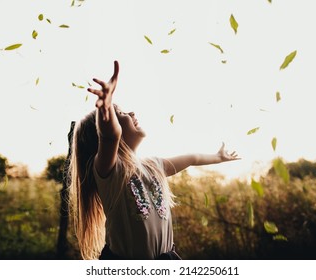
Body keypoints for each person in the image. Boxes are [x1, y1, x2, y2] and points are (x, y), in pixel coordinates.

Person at [69, 60, 240, 260]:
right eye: (121, 113)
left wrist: (218, 157)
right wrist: (106, 108)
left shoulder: (154, 166)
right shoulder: (110, 172)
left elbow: (192, 158)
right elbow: (110, 136)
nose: (131, 113)